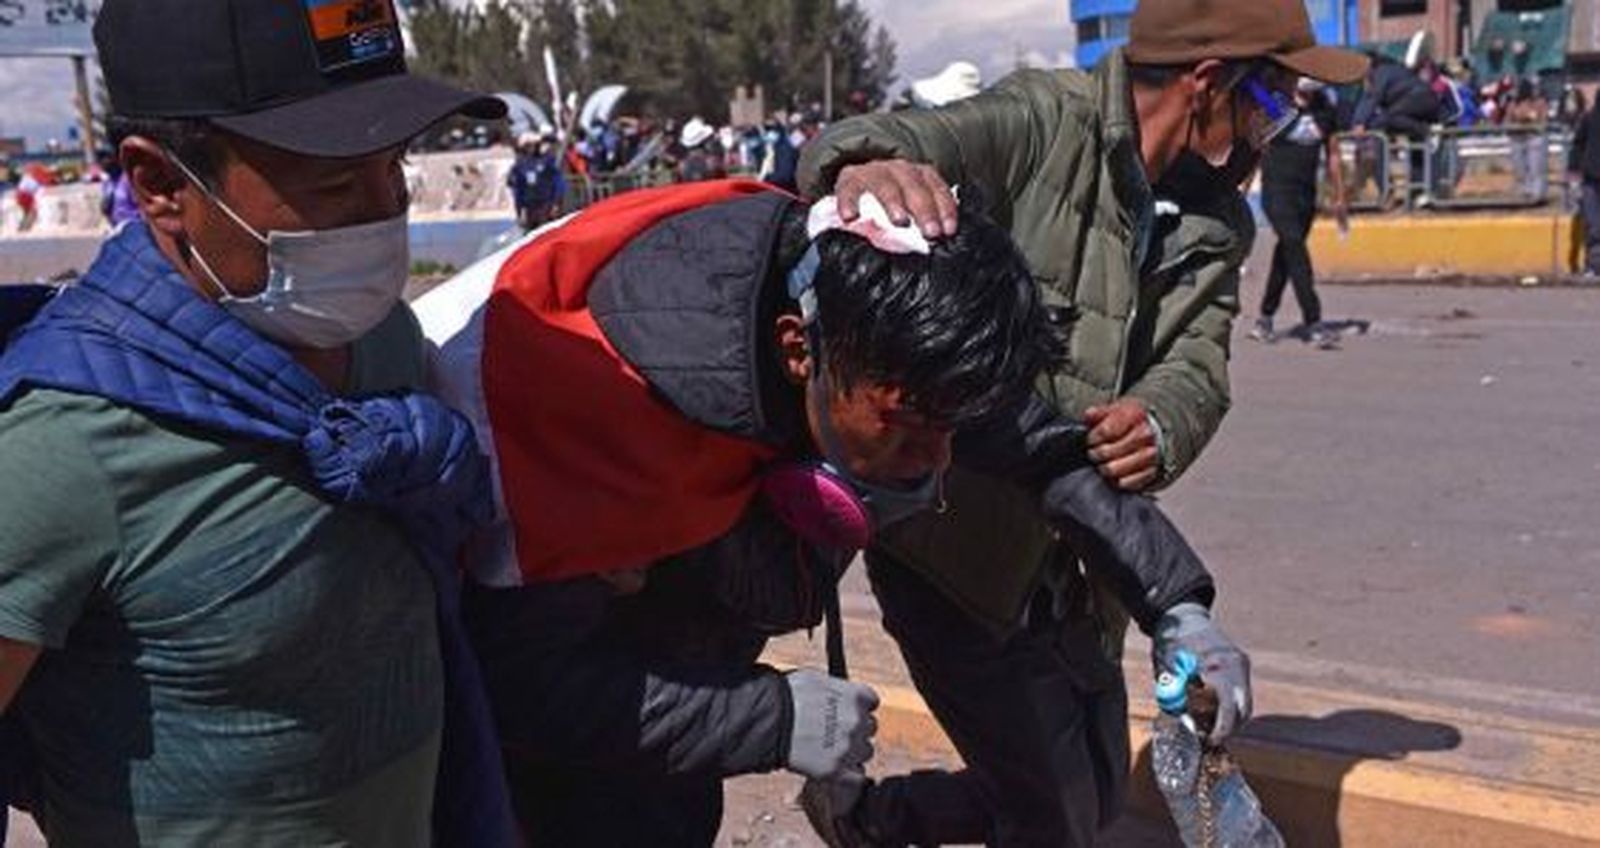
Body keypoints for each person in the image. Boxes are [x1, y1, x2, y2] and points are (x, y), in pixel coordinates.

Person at [414, 177, 1250, 846]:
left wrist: (1176, 604)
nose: (939, 461)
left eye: (952, 427)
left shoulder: (881, 325)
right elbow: (526, 684)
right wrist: (767, 717)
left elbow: (1044, 450)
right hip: (470, 672)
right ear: (794, 349)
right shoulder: (599, 416)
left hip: (654, 640)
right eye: (912, 427)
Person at [794, 0, 1368, 843]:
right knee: (1056, 820)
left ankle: (872, 820)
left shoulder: (1219, 222)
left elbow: (1199, 365)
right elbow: (871, 145)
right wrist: (871, 170)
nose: (1276, 127)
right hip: (961, 563)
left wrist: (1161, 420)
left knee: (1093, 801)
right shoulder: (1042, 121)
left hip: (1086, 570)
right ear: (1208, 83)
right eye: (1274, 100)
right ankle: (875, 824)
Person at [0, 1, 518, 845]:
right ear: (163, 185)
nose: (384, 213)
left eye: (395, 170)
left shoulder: (381, 339)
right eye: (336, 185)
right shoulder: (62, 443)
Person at [1250, 79, 1346, 348]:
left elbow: (1333, 153)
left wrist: (1340, 196)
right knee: (1294, 245)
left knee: (1287, 253)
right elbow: (1253, 89)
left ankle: (1265, 318)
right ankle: (1314, 321)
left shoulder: (1325, 108)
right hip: (1276, 192)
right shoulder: (1277, 105)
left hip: (1306, 196)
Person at [1568, 94, 1600, 278]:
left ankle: (1593, 266)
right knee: (1594, 226)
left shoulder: (1588, 117)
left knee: (1594, 226)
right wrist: (1574, 170)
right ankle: (1594, 266)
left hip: (1590, 177)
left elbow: (1577, 146)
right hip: (1591, 178)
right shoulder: (1589, 118)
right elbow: (1578, 145)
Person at [507, 131, 566, 231]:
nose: (531, 148)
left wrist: (556, 203)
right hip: (529, 207)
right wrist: (519, 211)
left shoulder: (547, 161)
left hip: (545, 205)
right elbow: (517, 188)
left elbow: (558, 182)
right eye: (528, 145)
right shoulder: (520, 165)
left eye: (533, 145)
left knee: (545, 233)